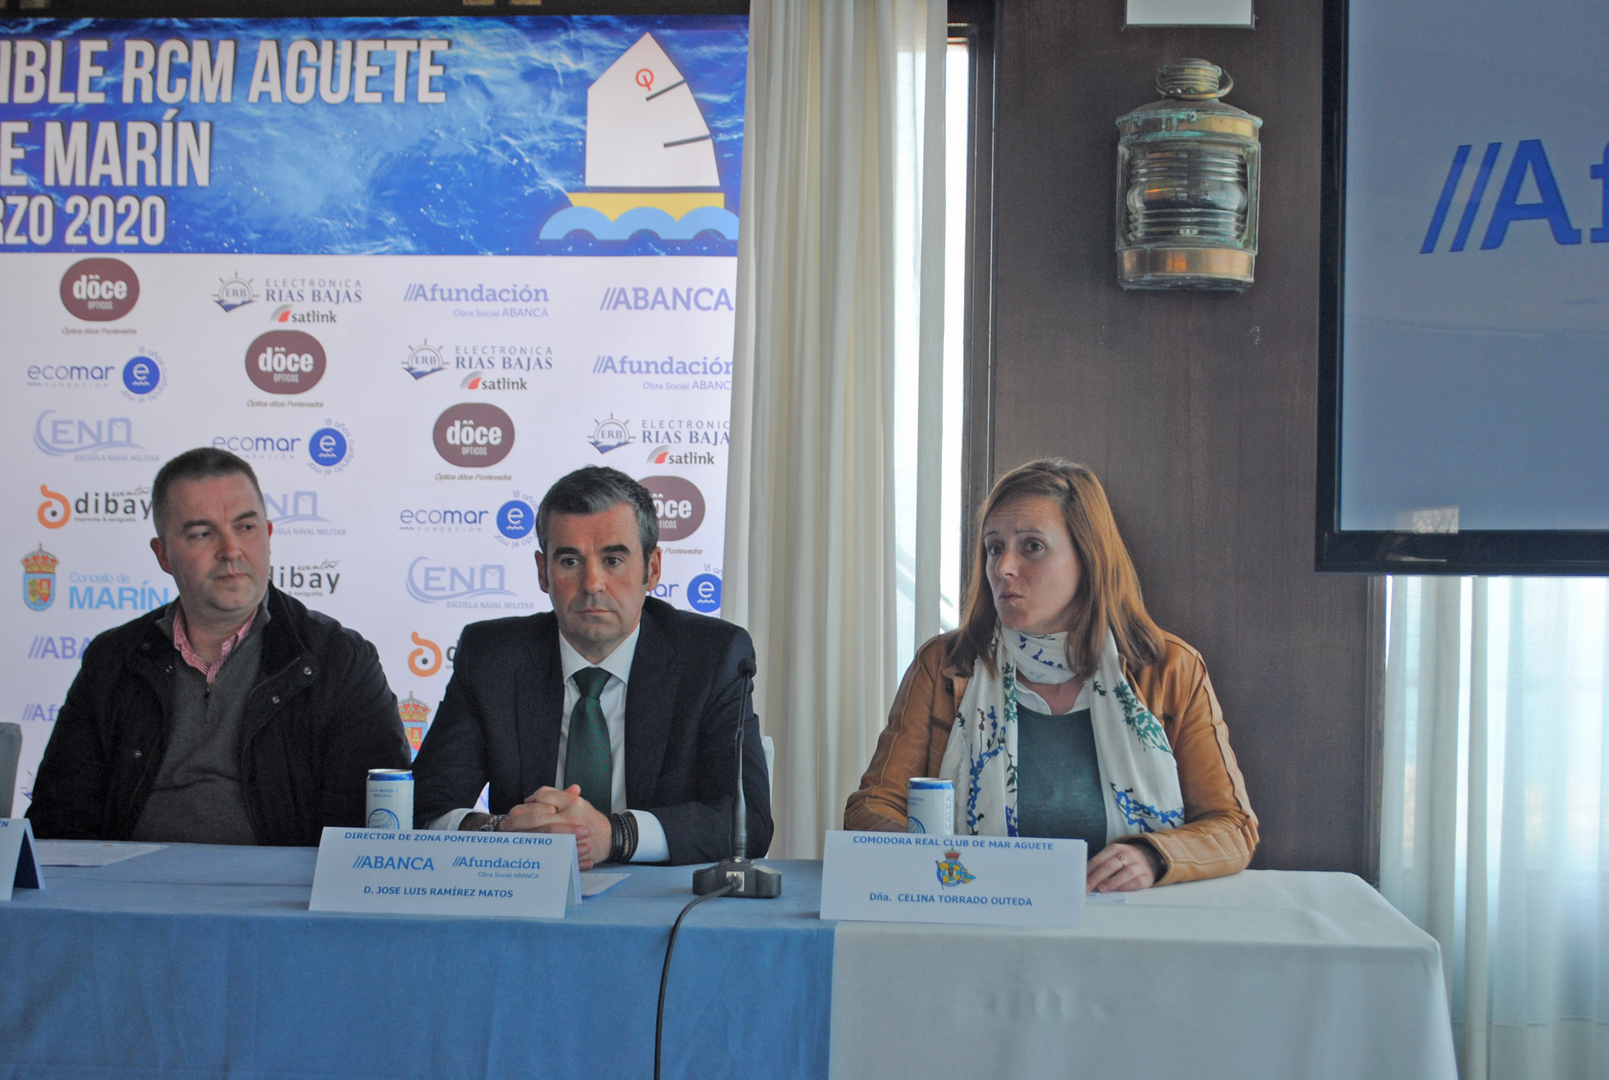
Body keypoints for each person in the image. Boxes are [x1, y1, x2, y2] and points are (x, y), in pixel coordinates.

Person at [845, 459, 1257, 891]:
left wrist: (1154, 855)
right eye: (994, 547)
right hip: (976, 910)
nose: (1003, 567)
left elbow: (1233, 826)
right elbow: (871, 808)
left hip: (1127, 921)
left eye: (1032, 547)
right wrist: (933, 859)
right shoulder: (946, 665)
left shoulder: (1170, 668)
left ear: (1088, 557)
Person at [28, 448, 411, 845]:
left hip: (283, 883)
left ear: (268, 535)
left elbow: (366, 835)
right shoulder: (112, 660)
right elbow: (58, 822)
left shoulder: (339, 661)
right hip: (131, 880)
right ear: (163, 555)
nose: (230, 550)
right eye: (202, 533)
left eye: (246, 527)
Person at [411, 466, 771, 870]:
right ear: (543, 571)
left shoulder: (712, 656)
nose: (592, 583)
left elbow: (748, 823)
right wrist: (501, 831)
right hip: (528, 891)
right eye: (570, 561)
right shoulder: (492, 657)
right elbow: (422, 805)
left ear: (652, 569)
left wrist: (616, 836)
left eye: (613, 560)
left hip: (661, 899)